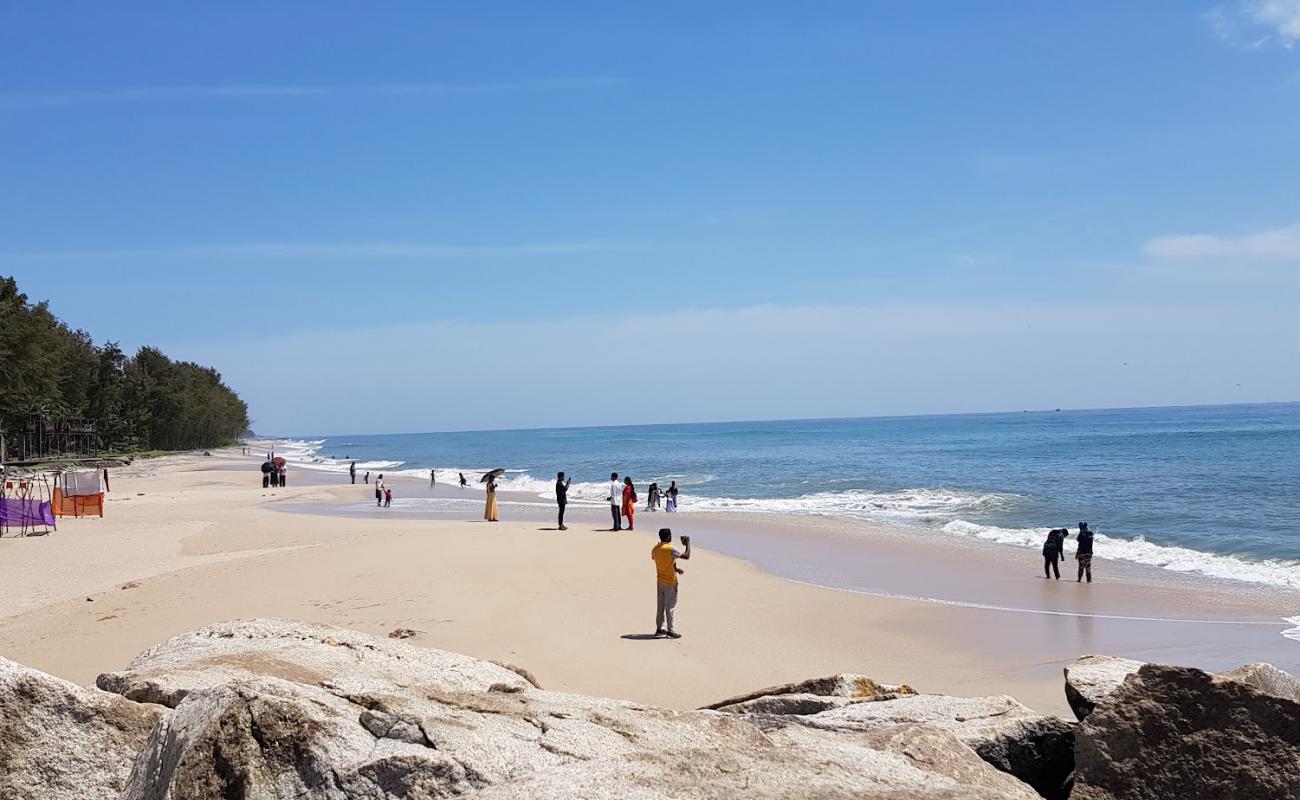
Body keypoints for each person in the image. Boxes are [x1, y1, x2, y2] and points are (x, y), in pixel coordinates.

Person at [651, 528, 691, 638]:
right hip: (670, 582)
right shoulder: (670, 548)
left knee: (660, 606)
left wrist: (676, 569)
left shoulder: (655, 549)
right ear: (668, 537)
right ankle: (670, 630)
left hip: (660, 581)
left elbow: (663, 560)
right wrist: (688, 543)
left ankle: (659, 629)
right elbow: (686, 556)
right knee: (670, 607)